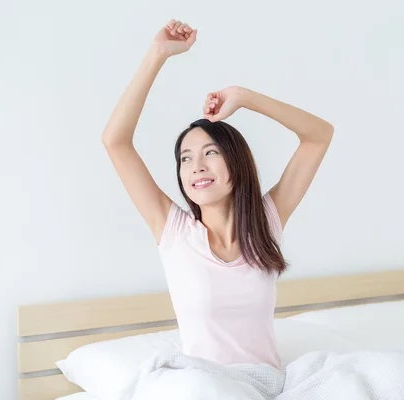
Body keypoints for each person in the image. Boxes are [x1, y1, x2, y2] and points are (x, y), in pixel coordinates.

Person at [101, 19, 334, 371]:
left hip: (267, 387)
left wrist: (243, 97)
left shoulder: (267, 222)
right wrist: (157, 54)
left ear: (236, 163)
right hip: (206, 387)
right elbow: (115, 141)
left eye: (210, 152)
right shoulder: (174, 232)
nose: (196, 166)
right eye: (186, 158)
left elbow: (319, 134)